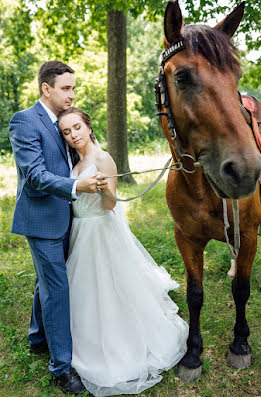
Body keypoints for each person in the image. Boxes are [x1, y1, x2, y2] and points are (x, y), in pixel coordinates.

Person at [57, 106, 189, 396]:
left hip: (100, 231)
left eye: (76, 128)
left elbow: (111, 205)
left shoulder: (103, 158)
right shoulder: (73, 161)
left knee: (110, 289)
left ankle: (122, 345)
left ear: (88, 126)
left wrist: (102, 188)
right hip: (80, 232)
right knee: (84, 292)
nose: (72, 135)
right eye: (66, 132)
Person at [9, 61, 100, 395]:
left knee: (45, 281)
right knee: (57, 288)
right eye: (65, 88)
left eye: (73, 88)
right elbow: (34, 175)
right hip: (42, 218)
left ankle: (37, 337)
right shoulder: (24, 120)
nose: (71, 94)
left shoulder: (67, 120)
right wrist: (78, 188)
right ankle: (62, 367)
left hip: (67, 217)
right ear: (46, 88)